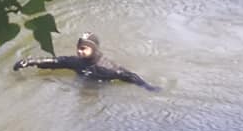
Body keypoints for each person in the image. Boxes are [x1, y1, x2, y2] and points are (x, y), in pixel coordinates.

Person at [13, 32, 159, 91]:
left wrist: (146, 86)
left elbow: (128, 76)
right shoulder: (76, 62)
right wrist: (30, 61)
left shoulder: (106, 67)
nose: (79, 51)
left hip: (100, 87)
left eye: (83, 48)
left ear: (93, 49)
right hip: (82, 82)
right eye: (78, 48)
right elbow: (56, 61)